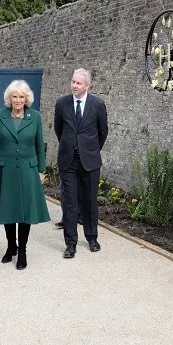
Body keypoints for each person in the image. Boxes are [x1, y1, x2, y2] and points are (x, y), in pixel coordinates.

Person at [0, 80, 50, 270]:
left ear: (27, 99)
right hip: (4, 169)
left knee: (24, 212)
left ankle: (22, 250)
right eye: (14, 96)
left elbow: (40, 145)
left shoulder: (35, 116)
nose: (18, 100)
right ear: (9, 98)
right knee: (8, 209)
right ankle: (10, 246)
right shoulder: (0, 116)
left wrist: (41, 170)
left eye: (21, 96)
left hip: (28, 169)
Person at [54, 68, 108, 257]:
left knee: (90, 201)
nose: (74, 85)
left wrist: (90, 150)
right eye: (73, 82)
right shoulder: (62, 104)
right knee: (70, 203)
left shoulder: (98, 105)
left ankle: (92, 238)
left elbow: (103, 132)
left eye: (79, 83)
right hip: (68, 161)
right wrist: (71, 146)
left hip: (90, 162)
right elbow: (59, 130)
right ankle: (70, 244)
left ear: (87, 86)